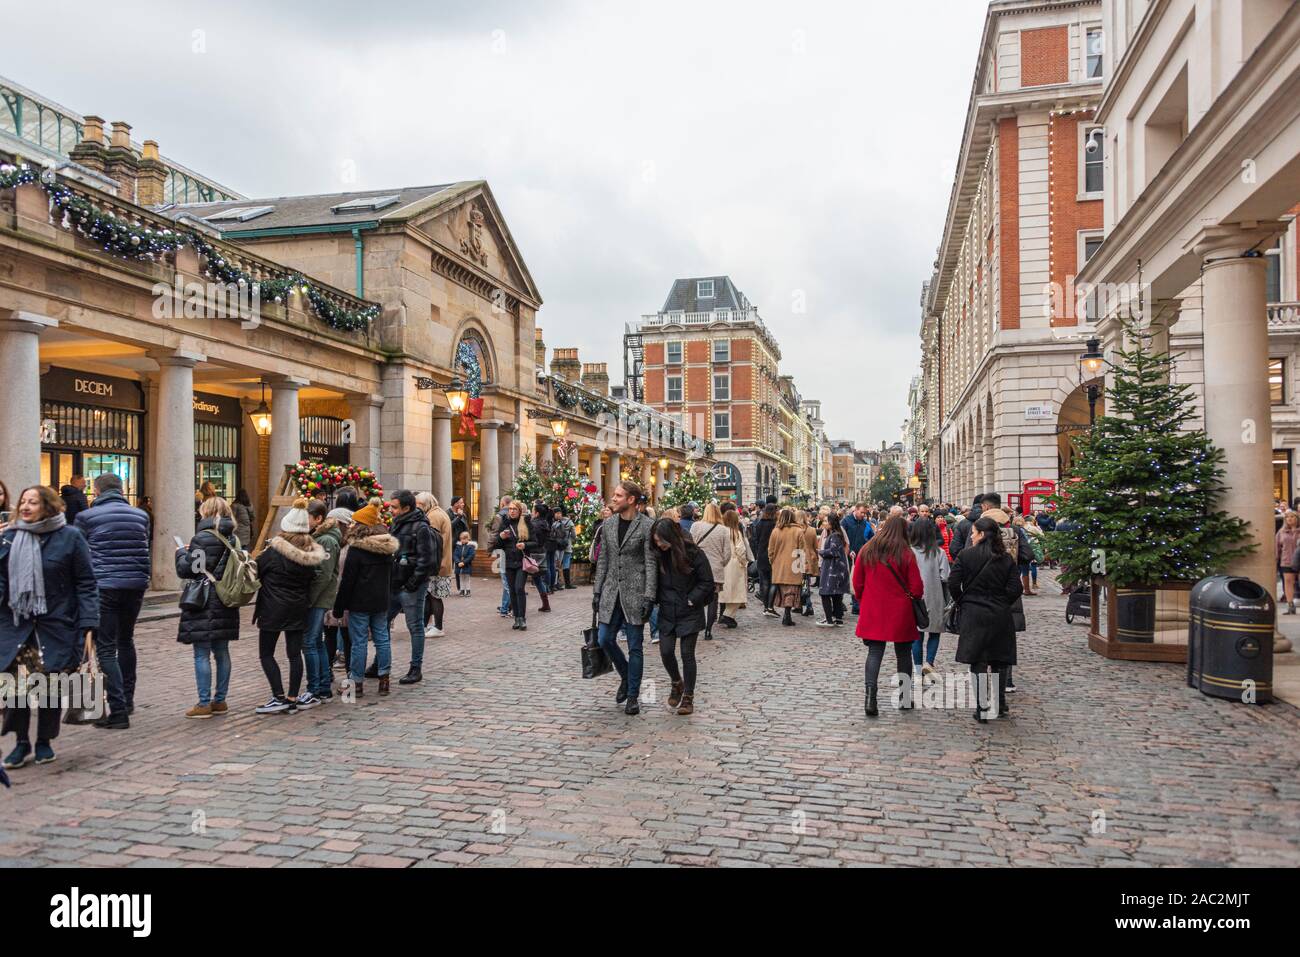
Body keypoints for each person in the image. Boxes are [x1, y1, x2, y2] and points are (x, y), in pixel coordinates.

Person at [0, 486, 98, 770]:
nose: (27, 506)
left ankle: (44, 741)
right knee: (16, 688)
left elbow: (86, 582)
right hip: (16, 625)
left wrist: (89, 622)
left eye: (34, 502)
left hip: (56, 624)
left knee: (48, 687)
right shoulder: (9, 537)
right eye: (23, 502)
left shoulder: (70, 537)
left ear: (49, 506)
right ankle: (21, 743)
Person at [75, 472, 150, 729]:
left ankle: (118, 710)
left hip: (104, 585)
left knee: (105, 647)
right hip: (135, 585)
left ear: (96, 491)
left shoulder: (86, 517)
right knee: (126, 640)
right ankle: (128, 699)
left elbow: (80, 555)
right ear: (120, 490)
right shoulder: (141, 515)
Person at [252, 498, 326, 714]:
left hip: (272, 608)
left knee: (266, 653)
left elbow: (256, 572)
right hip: (298, 607)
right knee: (294, 654)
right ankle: (293, 697)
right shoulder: (309, 555)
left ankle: (278, 696)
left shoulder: (273, 553)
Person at [592, 480, 657, 716]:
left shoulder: (647, 526)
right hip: (610, 591)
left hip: (636, 592)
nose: (614, 499)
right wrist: (597, 591)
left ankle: (632, 696)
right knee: (604, 639)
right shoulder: (608, 525)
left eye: (618, 495)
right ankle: (625, 674)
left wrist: (650, 595)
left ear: (631, 500)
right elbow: (603, 561)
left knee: (635, 646)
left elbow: (650, 562)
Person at [949, 515, 1022, 722]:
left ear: (981, 534)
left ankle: (981, 706)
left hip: (973, 613)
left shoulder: (965, 556)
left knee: (978, 662)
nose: (971, 537)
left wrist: (964, 601)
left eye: (973, 533)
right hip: (999, 613)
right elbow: (1016, 588)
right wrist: (1002, 601)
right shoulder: (1005, 558)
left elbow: (954, 583)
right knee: (999, 660)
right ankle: (998, 705)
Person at [176, 496, 242, 718]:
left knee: (201, 653)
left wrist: (181, 554)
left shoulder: (202, 537)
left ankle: (204, 703)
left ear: (206, 512)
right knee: (222, 651)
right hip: (225, 597)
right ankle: (220, 700)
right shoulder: (232, 538)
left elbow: (191, 569)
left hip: (203, 599)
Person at [852, 515, 922, 718]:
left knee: (874, 653)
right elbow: (916, 588)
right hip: (900, 610)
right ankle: (904, 697)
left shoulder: (868, 550)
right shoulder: (906, 553)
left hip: (874, 608)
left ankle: (870, 698)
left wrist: (864, 598)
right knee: (903, 653)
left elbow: (857, 582)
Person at [333, 502, 397, 697]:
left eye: (354, 523)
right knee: (382, 639)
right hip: (380, 600)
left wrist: (339, 606)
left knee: (359, 642)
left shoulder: (357, 550)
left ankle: (356, 683)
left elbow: (348, 581)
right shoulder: (386, 548)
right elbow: (391, 575)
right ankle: (384, 679)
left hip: (359, 602)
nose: (351, 525)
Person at [651, 518, 714, 716]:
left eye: (661, 541)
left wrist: (691, 599)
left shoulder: (694, 553)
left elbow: (707, 582)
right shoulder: (658, 555)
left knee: (687, 654)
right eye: (656, 542)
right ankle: (676, 681)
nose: (659, 545)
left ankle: (688, 697)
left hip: (689, 611)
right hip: (668, 610)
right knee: (666, 651)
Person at [386, 490, 436, 683]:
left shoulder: (421, 527)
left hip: (411, 586)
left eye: (394, 507)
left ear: (406, 508)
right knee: (382, 623)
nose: (391, 510)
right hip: (394, 584)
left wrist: (412, 583)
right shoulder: (396, 524)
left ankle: (416, 668)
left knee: (415, 626)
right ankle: (380, 663)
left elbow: (426, 560)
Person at [303, 500, 344, 705]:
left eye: (307, 517)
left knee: (310, 642)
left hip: (319, 598)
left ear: (318, 518)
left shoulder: (326, 540)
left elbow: (324, 574)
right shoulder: (320, 537)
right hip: (319, 597)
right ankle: (322, 684)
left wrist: (310, 598)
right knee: (316, 642)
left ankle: (316, 688)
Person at [908, 516, 949, 680]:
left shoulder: (909, 552)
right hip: (934, 595)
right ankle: (929, 663)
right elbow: (945, 576)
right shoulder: (939, 552)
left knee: (917, 635)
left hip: (914, 598)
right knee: (934, 632)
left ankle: (918, 669)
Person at [490, 501, 536, 630]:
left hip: (522, 562)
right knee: (512, 592)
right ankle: (517, 618)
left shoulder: (526, 523)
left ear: (519, 510)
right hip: (509, 562)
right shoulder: (505, 523)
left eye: (514, 509)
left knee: (519, 588)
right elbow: (496, 545)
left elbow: (536, 542)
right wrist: (501, 537)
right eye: (510, 509)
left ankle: (522, 618)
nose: (512, 511)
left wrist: (525, 545)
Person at [416, 492, 453, 639]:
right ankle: (429, 625)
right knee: (431, 595)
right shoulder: (438, 513)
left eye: (418, 504)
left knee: (434, 596)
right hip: (440, 562)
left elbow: (432, 543)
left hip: (438, 563)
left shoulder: (433, 517)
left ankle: (438, 627)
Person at [690, 502, 729, 640]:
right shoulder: (724, 530)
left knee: (696, 597)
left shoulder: (696, 526)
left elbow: (690, 545)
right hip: (715, 569)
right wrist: (720, 563)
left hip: (697, 568)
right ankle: (708, 630)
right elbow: (727, 554)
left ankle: (696, 626)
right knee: (713, 600)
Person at [767, 507, 806, 627]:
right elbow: (801, 550)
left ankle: (786, 613)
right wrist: (802, 566)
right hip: (794, 564)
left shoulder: (776, 531)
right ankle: (787, 613)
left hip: (779, 565)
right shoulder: (798, 531)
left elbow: (771, 550)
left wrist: (773, 562)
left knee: (783, 590)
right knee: (791, 590)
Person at [717, 508, 753, 628]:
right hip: (734, 564)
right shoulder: (735, 532)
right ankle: (728, 615)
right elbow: (740, 550)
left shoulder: (720, 531)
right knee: (737, 593)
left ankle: (726, 615)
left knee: (726, 592)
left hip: (722, 564)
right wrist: (743, 563)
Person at [817, 512, 850, 626]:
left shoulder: (834, 536)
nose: (824, 523)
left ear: (831, 523)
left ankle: (829, 619)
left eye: (826, 521)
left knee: (825, 593)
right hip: (836, 568)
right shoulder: (836, 534)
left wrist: (819, 552)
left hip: (832, 569)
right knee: (836, 594)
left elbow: (833, 551)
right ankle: (838, 619)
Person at [749, 503, 777, 616]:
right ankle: (770, 606)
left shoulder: (760, 523)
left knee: (764, 581)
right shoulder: (775, 525)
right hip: (772, 555)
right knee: (773, 581)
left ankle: (766, 607)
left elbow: (755, 540)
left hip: (761, 554)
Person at [528, 502, 553, 613]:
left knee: (520, 578)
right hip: (541, 553)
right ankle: (546, 604)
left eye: (533, 510)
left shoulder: (533, 524)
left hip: (531, 554)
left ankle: (510, 605)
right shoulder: (545, 523)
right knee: (537, 579)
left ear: (537, 513)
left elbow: (530, 539)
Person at [798, 509, 819, 617]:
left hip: (799, 559)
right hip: (810, 558)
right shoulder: (812, 530)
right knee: (805, 582)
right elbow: (816, 546)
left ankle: (808, 605)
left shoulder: (796, 530)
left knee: (801, 583)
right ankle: (800, 605)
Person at [1278, 510, 1300, 614]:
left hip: (1299, 560)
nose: (1290, 519)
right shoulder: (1281, 532)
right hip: (1286, 560)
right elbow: (1276, 546)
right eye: (1287, 517)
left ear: (1297, 518)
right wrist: (1276, 558)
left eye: (1292, 517)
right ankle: (1290, 605)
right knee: (1288, 582)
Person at [550, 507, 575, 590]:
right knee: (563, 563)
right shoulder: (569, 522)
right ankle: (565, 583)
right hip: (565, 545)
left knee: (556, 564)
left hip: (557, 545)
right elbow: (574, 535)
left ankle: (556, 583)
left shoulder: (551, 521)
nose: (559, 514)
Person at [454, 531, 477, 595]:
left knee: (467, 578)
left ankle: (468, 590)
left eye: (464, 539)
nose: (462, 540)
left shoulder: (471, 547)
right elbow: (455, 555)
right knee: (461, 578)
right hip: (459, 566)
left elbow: (471, 556)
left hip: (467, 565)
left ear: (468, 538)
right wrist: (458, 562)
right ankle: (462, 590)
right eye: (461, 539)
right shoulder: (458, 546)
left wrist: (464, 562)